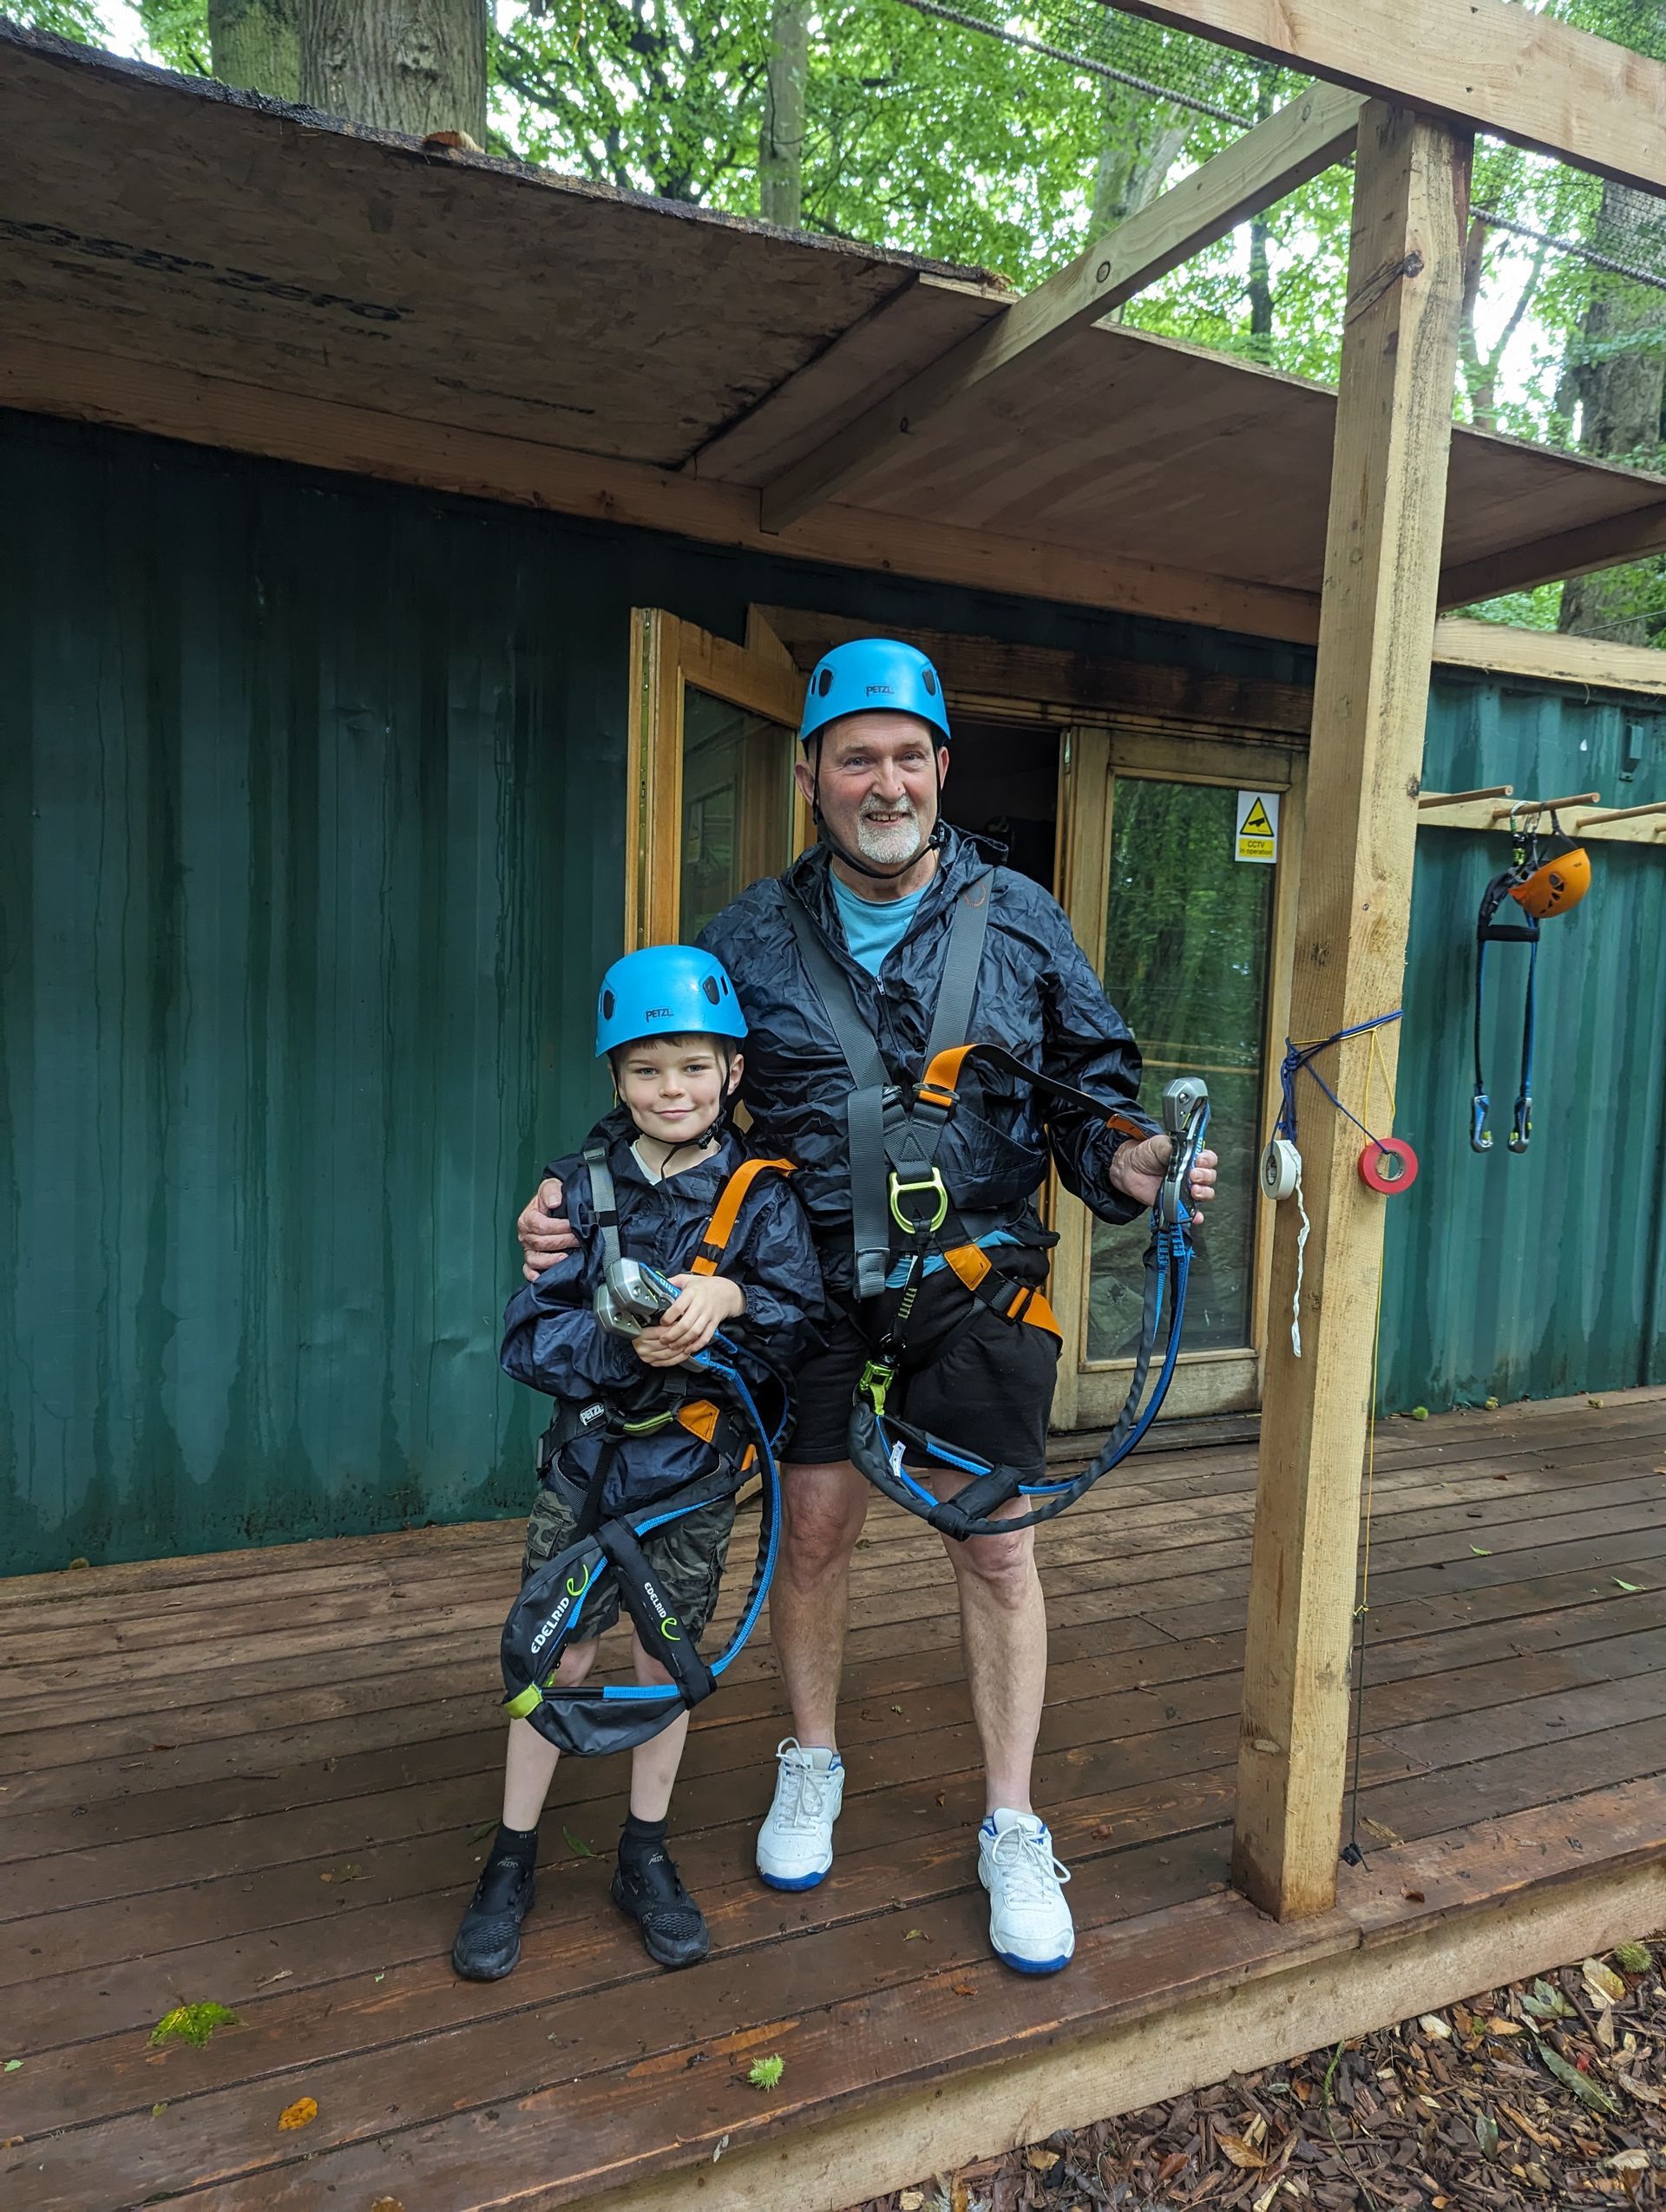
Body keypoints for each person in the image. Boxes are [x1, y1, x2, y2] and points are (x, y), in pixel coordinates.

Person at [516, 639, 1217, 1977]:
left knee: (997, 1546)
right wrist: (566, 1202)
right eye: (857, 758)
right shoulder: (743, 941)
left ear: (941, 769)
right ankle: (813, 1761)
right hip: (811, 1291)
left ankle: (1013, 1821)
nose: (884, 780)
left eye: (908, 755)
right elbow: (670, 1107)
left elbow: (1089, 1086)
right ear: (810, 779)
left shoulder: (1020, 917)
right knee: (818, 1529)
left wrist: (1133, 1158)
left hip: (973, 1282)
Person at [455, 944, 820, 1981]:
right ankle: (512, 1854)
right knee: (554, 1651)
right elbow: (529, 1335)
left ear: (732, 1073)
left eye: (695, 1067)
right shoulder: (575, 1190)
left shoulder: (761, 1199)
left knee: (666, 1658)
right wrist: (619, 1342)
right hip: (584, 1467)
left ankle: (644, 1854)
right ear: (616, 1077)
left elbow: (798, 1325)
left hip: (691, 1480)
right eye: (649, 1068)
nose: (674, 1089)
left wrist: (730, 1304)